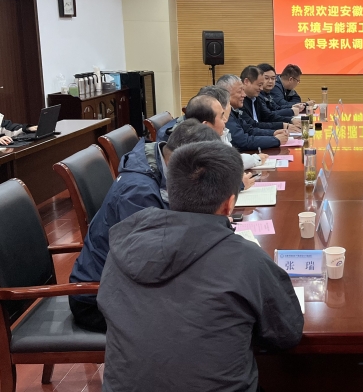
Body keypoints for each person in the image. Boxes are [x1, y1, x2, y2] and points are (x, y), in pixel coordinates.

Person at [98, 141, 303, 392]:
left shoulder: (123, 245)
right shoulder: (247, 259)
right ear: (229, 204)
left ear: (170, 191)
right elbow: (286, 334)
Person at [68, 120, 223, 332]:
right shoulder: (138, 192)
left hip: (125, 283)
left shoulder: (161, 166)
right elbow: (147, 265)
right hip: (97, 299)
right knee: (209, 316)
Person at [159, 90, 267, 170]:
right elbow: (224, 165)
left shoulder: (197, 128)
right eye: (221, 116)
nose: (225, 120)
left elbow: (228, 157)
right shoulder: (188, 139)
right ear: (205, 125)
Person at [219, 74, 288, 151]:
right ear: (225, 94)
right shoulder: (223, 114)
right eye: (240, 91)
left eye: (243, 90)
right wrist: (275, 140)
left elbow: (249, 130)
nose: (244, 95)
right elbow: (242, 142)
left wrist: (273, 133)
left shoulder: (233, 110)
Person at [239, 66, 300, 131]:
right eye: (259, 85)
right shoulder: (239, 101)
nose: (261, 88)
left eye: (273, 78)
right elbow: (252, 126)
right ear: (246, 82)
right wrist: (282, 126)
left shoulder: (255, 98)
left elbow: (268, 116)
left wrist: (290, 120)